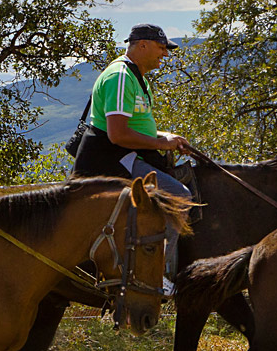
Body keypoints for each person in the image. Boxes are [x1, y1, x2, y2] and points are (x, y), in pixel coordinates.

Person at [71, 23, 194, 288]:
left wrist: (165, 138)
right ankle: (159, 274)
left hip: (125, 156)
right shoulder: (121, 77)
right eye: (161, 48)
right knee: (179, 196)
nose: (165, 54)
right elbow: (117, 134)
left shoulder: (136, 77)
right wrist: (161, 144)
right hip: (110, 160)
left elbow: (135, 125)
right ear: (142, 45)